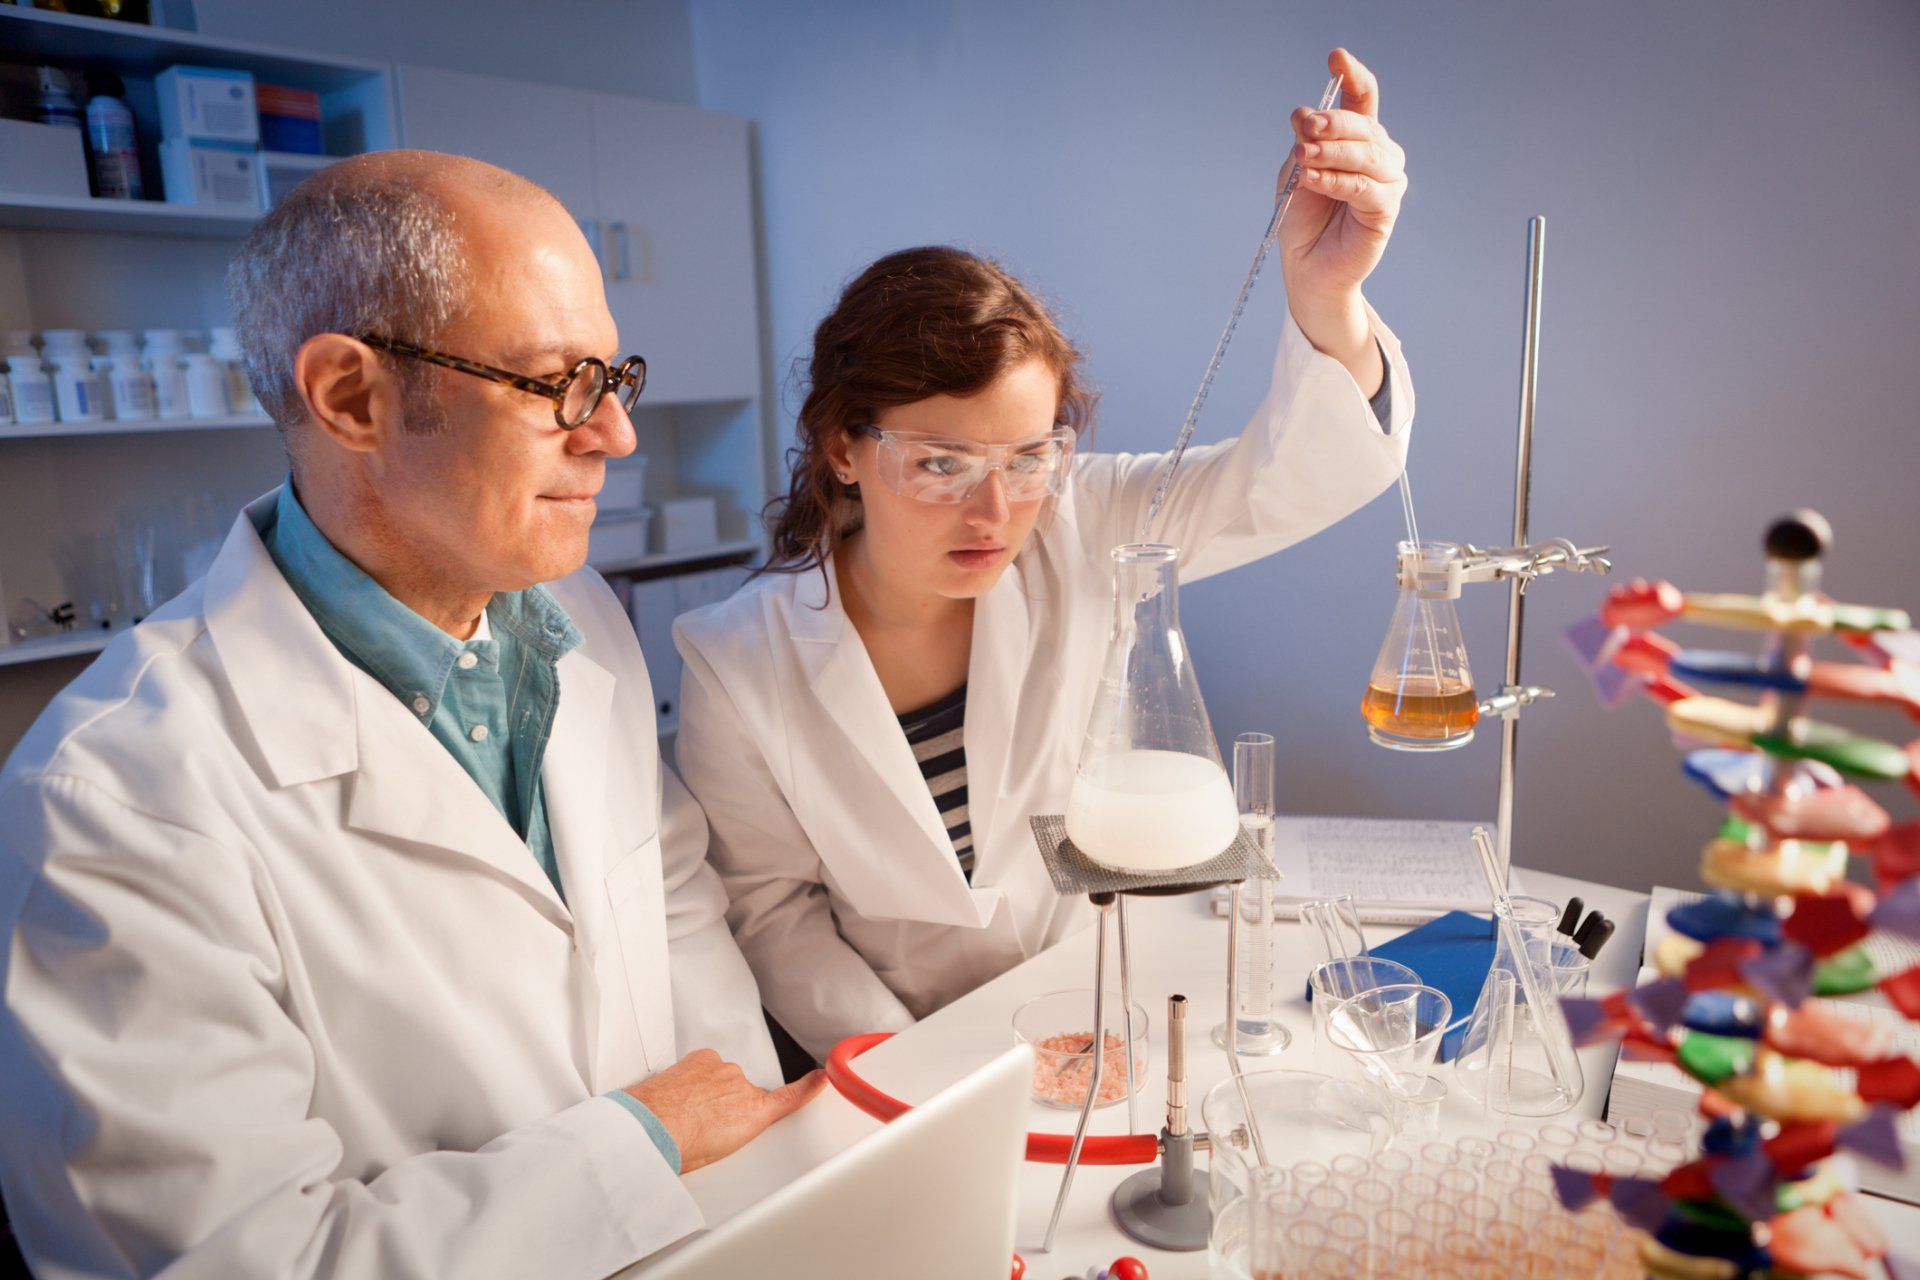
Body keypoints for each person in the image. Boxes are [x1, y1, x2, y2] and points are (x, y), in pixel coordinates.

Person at [0, 150, 823, 1279]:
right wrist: (641, 1141)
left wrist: (755, 1176)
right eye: (555, 384)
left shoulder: (574, 617)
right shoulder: (113, 800)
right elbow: (240, 1260)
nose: (615, 435)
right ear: (351, 398)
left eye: (612, 376)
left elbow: (673, 898)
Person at [674, 49, 1413, 1062]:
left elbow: (1291, 479)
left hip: (1100, 1004)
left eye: (1028, 456)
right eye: (941, 461)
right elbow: (772, 914)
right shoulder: (733, 659)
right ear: (844, 446)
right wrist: (933, 1070)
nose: (997, 508)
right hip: (897, 1052)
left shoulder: (1084, 519)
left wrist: (1326, 294)